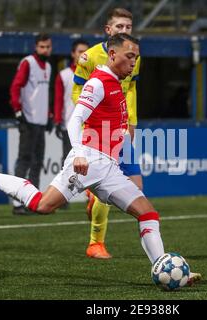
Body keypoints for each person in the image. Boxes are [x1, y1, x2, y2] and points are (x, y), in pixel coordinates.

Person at [0, 34, 201, 286]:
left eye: (136, 57)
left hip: (109, 168)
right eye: (129, 56)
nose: (133, 62)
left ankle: (163, 268)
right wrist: (79, 152)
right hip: (89, 160)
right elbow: (75, 119)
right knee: (42, 205)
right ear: (112, 55)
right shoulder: (99, 81)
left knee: (148, 213)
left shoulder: (116, 82)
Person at [72, 7, 142, 259]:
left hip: (121, 128)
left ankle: (94, 195)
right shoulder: (89, 57)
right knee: (107, 181)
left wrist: (131, 121)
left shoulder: (134, 54)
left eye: (128, 27)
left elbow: (131, 90)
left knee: (137, 188)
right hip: (98, 129)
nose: (124, 31)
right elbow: (77, 91)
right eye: (120, 27)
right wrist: (87, 123)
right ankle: (95, 244)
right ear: (108, 30)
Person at [9, 33, 54, 215]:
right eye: (42, 46)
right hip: (28, 119)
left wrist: (49, 115)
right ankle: (17, 203)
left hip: (41, 121)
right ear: (36, 47)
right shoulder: (28, 63)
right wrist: (18, 110)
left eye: (48, 47)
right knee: (24, 161)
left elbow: (44, 95)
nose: (45, 50)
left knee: (37, 163)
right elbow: (15, 86)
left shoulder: (49, 66)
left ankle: (32, 202)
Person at [54, 39, 90, 173]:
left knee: (90, 162)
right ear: (73, 54)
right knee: (69, 161)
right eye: (80, 51)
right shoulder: (64, 75)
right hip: (70, 125)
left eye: (86, 52)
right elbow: (58, 100)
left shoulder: (95, 74)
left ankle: (88, 194)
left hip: (90, 126)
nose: (84, 55)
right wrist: (57, 121)